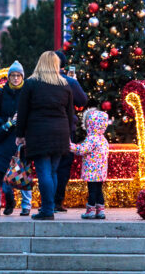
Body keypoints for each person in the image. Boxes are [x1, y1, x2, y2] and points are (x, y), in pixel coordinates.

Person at [15, 51, 77, 220]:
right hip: (61, 132)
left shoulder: (31, 84)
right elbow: (70, 113)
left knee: (43, 172)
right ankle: (51, 206)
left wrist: (20, 134)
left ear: (40, 63)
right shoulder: (64, 84)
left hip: (39, 133)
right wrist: (69, 135)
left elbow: (23, 112)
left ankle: (47, 210)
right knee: (53, 172)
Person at [0, 61, 32, 216]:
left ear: (22, 77)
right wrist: (4, 123)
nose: (16, 78)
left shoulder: (27, 92)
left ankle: (12, 201)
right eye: (13, 75)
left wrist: (22, 126)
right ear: (8, 77)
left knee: (14, 173)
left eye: (18, 75)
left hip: (19, 139)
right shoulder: (0, 93)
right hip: (1, 136)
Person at [52, 50, 87, 212]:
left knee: (47, 165)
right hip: (66, 128)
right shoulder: (70, 82)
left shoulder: (37, 81)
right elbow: (82, 100)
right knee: (63, 165)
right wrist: (75, 82)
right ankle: (57, 201)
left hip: (42, 129)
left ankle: (47, 201)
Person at [70, 108, 110, 220]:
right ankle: (100, 210)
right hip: (101, 171)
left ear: (90, 124)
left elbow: (82, 149)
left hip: (91, 171)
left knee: (92, 191)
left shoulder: (91, 138)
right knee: (98, 191)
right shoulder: (103, 139)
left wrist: (71, 146)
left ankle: (90, 211)